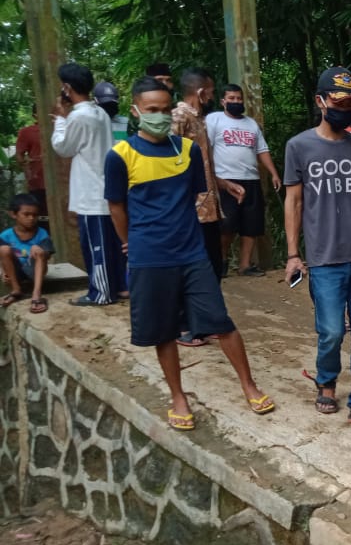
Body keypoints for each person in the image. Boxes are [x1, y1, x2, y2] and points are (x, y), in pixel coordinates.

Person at [105, 76, 275, 430]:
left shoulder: (188, 151)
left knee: (221, 322)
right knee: (164, 331)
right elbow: (116, 206)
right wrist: (129, 241)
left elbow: (195, 196)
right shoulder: (120, 155)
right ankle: (178, 397)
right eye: (152, 109)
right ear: (135, 111)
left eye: (165, 109)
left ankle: (249, 385)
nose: (159, 115)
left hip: (192, 253)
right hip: (149, 257)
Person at [282, 67, 351, 433]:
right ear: (321, 102)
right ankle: (326, 380)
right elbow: (294, 201)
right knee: (330, 331)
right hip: (324, 259)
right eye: (339, 102)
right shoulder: (299, 146)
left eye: (350, 104)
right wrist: (293, 254)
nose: (345, 109)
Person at [51, 61, 127, 306]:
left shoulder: (79, 116)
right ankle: (120, 287)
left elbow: (63, 147)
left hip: (91, 192)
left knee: (97, 246)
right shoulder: (100, 113)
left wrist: (60, 120)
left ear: (67, 87)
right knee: (111, 244)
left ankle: (101, 293)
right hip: (102, 187)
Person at [172, 68, 224, 347]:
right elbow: (168, 160)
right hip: (191, 208)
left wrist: (224, 185)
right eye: (211, 92)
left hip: (209, 206)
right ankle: (186, 326)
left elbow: (204, 163)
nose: (212, 97)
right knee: (193, 268)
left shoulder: (199, 119)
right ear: (201, 92)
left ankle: (205, 321)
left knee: (213, 265)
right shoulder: (179, 116)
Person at [207, 84, 281, 277]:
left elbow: (262, 150)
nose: (236, 102)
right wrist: (212, 177)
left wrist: (273, 173)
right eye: (231, 98)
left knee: (252, 225)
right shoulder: (214, 120)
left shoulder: (251, 124)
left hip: (251, 178)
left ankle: (245, 265)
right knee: (227, 224)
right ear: (223, 101)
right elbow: (206, 148)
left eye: (239, 99)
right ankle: (221, 260)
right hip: (225, 180)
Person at [0, 193, 54, 313]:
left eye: (34, 215)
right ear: (13, 214)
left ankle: (36, 295)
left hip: (34, 271)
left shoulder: (42, 234)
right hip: (15, 272)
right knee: (4, 249)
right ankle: (16, 290)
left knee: (37, 250)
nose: (31, 218)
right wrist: (3, 271)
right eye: (26, 214)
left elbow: (47, 256)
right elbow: (2, 257)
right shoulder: (5, 235)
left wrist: (39, 251)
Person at [15, 107, 46, 217]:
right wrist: (26, 165)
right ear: (35, 115)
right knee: (40, 216)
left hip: (63, 181)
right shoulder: (27, 132)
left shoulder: (62, 128)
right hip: (38, 182)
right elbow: (19, 155)